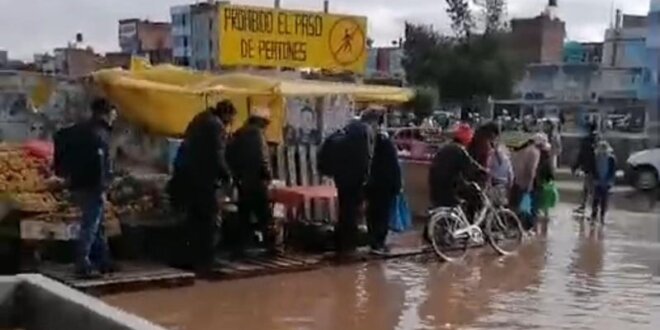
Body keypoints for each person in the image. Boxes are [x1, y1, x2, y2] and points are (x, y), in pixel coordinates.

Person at [180, 100, 236, 270]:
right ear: (226, 114)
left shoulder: (199, 119)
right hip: (206, 179)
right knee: (210, 220)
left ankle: (193, 258)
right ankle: (208, 259)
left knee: (195, 220)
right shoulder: (216, 126)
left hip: (190, 177)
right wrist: (228, 176)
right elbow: (217, 155)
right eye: (231, 118)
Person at [70, 98, 116, 278]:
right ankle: (83, 264)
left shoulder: (84, 129)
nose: (115, 116)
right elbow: (100, 162)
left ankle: (103, 260)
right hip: (93, 185)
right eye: (113, 112)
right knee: (90, 225)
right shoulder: (99, 133)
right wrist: (103, 185)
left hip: (80, 183)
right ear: (105, 113)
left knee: (97, 224)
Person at [227, 107, 275, 256]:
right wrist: (268, 176)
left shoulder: (239, 133)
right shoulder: (257, 135)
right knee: (265, 216)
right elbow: (263, 158)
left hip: (242, 181)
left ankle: (240, 248)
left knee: (244, 216)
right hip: (257, 181)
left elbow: (229, 156)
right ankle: (272, 247)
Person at [332, 109, 380, 256]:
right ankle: (349, 247)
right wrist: (366, 178)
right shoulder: (365, 131)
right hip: (355, 178)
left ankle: (341, 244)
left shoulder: (349, 127)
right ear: (373, 120)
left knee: (344, 209)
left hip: (341, 177)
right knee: (353, 212)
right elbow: (366, 157)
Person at [428, 123, 486, 212]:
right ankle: (469, 218)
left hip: (435, 183)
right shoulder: (460, 150)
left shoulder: (446, 147)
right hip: (449, 185)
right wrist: (483, 172)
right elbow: (471, 167)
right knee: (475, 194)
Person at [365, 130, 402, 254]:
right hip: (386, 188)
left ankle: (373, 241)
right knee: (383, 216)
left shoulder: (373, 154)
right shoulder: (390, 153)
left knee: (372, 214)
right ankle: (379, 243)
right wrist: (397, 187)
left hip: (373, 187)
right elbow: (395, 170)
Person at [510, 134, 544, 230]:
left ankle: (516, 226)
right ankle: (526, 227)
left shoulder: (523, 150)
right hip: (526, 182)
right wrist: (530, 185)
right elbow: (531, 170)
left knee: (519, 205)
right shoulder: (535, 152)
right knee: (528, 207)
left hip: (517, 181)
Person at [572, 122, 599, 214]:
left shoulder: (586, 141)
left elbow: (581, 155)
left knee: (588, 189)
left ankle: (589, 208)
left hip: (589, 168)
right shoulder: (599, 140)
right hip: (597, 169)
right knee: (590, 189)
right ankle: (592, 208)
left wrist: (575, 166)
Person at [591, 140, 616, 223]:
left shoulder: (611, 159)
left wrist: (610, 181)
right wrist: (595, 178)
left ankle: (602, 216)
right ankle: (594, 215)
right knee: (596, 199)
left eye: (604, 148)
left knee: (604, 200)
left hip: (606, 182)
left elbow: (612, 171)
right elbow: (593, 169)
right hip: (597, 181)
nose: (602, 150)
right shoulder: (595, 158)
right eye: (601, 148)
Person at [533, 134, 555, 219]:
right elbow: (549, 170)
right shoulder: (546, 156)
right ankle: (544, 214)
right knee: (543, 199)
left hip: (536, 180)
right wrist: (551, 177)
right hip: (542, 181)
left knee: (536, 199)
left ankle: (536, 214)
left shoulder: (535, 154)